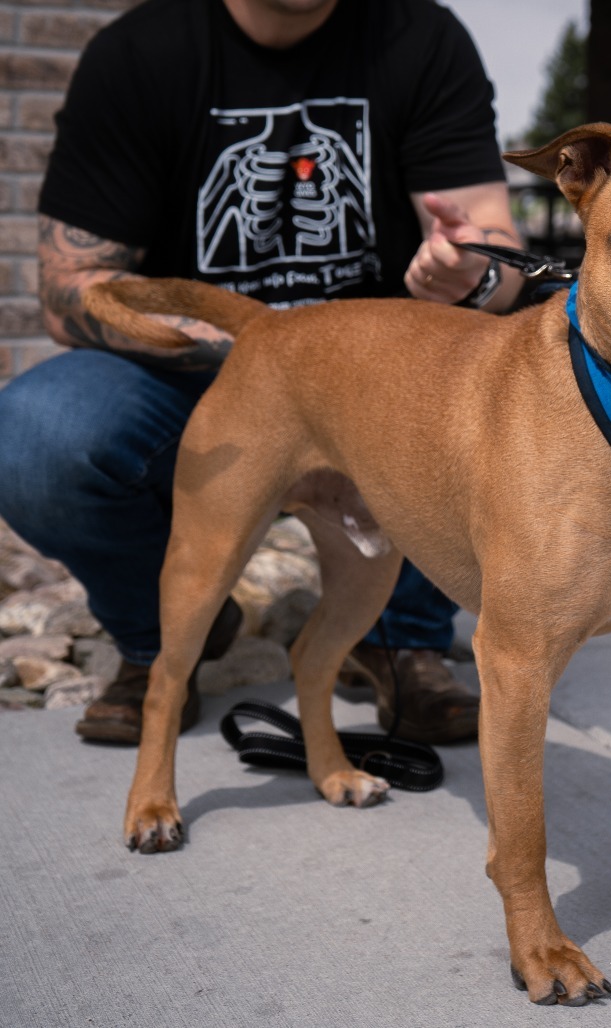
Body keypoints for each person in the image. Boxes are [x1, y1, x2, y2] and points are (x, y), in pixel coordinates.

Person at [0, 0, 525, 746]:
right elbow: (72, 290)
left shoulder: (420, 35)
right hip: (202, 370)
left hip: (380, 383)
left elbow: (497, 257)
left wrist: (471, 270)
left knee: (481, 387)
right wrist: (269, 361)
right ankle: (166, 639)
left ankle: (403, 637)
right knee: (36, 434)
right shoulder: (138, 53)